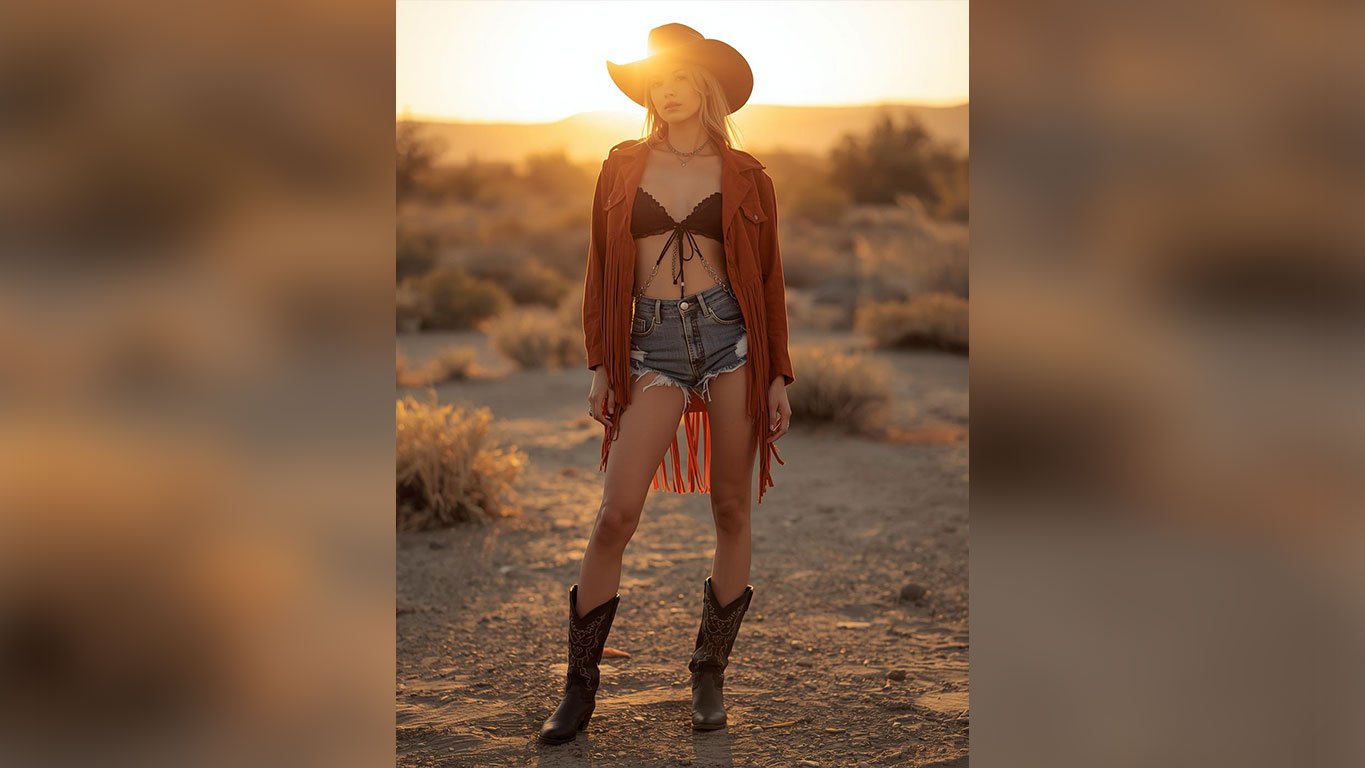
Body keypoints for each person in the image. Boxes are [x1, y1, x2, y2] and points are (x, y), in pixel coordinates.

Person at [539, 23, 795, 745]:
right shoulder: (621, 167)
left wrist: (777, 374)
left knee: (729, 509)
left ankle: (709, 672)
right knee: (615, 513)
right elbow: (598, 269)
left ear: (704, 85)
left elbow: (770, 282)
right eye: (654, 77)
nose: (665, 87)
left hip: (730, 341)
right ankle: (578, 689)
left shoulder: (746, 175)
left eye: (678, 75)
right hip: (648, 345)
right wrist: (600, 363)